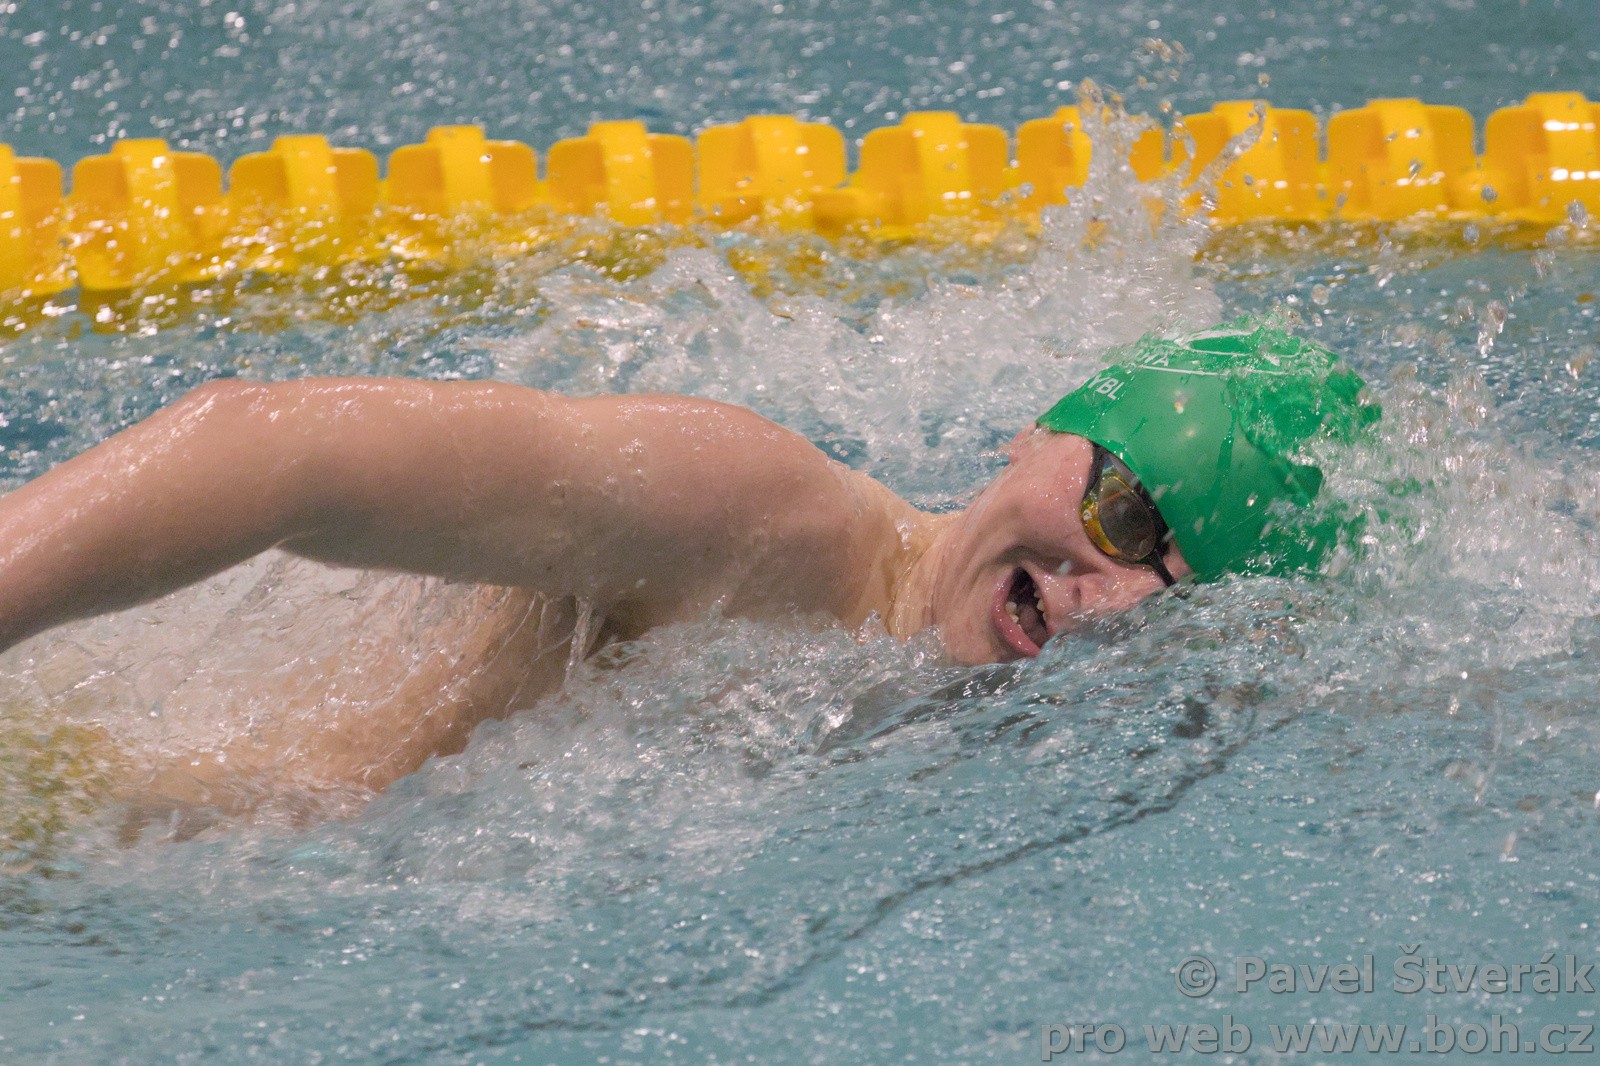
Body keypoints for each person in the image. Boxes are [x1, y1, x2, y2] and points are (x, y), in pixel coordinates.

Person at [0, 319, 1377, 814]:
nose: (1112, 598)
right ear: (1037, 436)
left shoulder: (1000, 724)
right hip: (114, 817)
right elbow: (270, 445)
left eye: (1180, 593)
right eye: (1125, 515)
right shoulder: (767, 524)